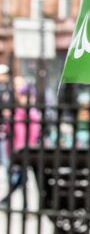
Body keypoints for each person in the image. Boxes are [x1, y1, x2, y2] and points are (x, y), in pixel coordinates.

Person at [0, 79, 41, 208]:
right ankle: (18, 204)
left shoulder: (32, 114)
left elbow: (33, 135)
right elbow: (8, 130)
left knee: (21, 178)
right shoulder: (17, 113)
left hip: (25, 151)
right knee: (20, 178)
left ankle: (8, 201)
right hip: (14, 150)